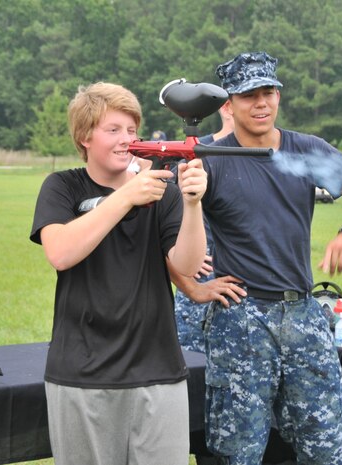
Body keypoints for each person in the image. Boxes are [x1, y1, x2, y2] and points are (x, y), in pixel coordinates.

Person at [173, 51, 342, 465]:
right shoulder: (209, 158)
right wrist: (192, 286)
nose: (261, 103)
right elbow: (167, 241)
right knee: (238, 451)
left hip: (303, 314)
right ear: (228, 105)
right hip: (242, 318)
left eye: (269, 91)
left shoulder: (306, 149)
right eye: (249, 95)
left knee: (326, 445)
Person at [30, 82, 208, 465]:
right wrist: (127, 195)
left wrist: (192, 204)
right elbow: (60, 252)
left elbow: (189, 267)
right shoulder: (62, 187)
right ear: (84, 137)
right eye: (113, 130)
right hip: (81, 374)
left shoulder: (164, 193)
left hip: (159, 373)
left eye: (132, 130)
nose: (126, 140)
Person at [174, 101, 238, 354]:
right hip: (201, 278)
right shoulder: (195, 152)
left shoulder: (257, 154)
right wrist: (181, 254)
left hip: (244, 286)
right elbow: (162, 212)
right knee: (193, 364)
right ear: (225, 107)